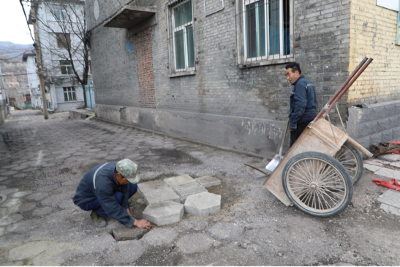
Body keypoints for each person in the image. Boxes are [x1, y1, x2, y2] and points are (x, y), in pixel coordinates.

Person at [73, 159, 151, 229]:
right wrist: (135, 222)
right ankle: (98, 213)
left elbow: (125, 187)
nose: (128, 181)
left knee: (132, 186)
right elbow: (110, 205)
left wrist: (125, 207)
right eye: (128, 179)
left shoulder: (119, 168)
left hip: (102, 191)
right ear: (118, 175)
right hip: (87, 200)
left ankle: (119, 209)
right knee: (117, 197)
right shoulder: (102, 182)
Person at [285, 62, 317, 147]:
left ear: (296, 72)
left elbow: (300, 105)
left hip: (302, 121)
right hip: (310, 119)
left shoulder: (300, 84)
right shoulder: (307, 82)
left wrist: (293, 121)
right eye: (286, 76)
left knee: (295, 149)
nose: (288, 78)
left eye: (289, 74)